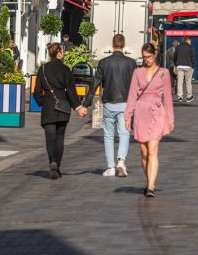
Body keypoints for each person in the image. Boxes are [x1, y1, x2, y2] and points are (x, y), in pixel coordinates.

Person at [81, 33, 137, 177]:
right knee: (124, 133)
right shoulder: (131, 63)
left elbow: (95, 84)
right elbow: (135, 86)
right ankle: (121, 161)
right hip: (125, 103)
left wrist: (86, 103)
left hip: (109, 103)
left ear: (113, 46)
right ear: (123, 46)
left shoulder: (104, 62)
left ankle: (110, 167)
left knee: (108, 135)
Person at [125, 42, 174, 197]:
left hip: (157, 112)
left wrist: (170, 118)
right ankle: (148, 181)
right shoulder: (137, 72)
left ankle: (151, 186)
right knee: (144, 152)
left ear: (154, 55)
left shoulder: (163, 73)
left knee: (153, 150)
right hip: (141, 113)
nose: (147, 60)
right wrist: (128, 116)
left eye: (150, 57)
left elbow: (167, 96)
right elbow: (132, 95)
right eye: (145, 57)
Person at [33, 42, 87, 179]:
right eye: (62, 51)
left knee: (50, 138)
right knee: (60, 138)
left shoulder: (43, 69)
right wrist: (78, 107)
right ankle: (57, 166)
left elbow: (37, 91)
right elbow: (71, 91)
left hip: (49, 107)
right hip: (63, 107)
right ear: (59, 53)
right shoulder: (65, 69)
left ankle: (52, 161)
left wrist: (42, 103)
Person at [173, 36, 195, 102]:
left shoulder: (178, 47)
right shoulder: (191, 47)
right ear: (188, 40)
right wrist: (193, 66)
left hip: (180, 66)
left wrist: (176, 64)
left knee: (180, 82)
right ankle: (189, 97)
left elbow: (174, 57)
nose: (191, 42)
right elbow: (193, 58)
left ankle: (180, 97)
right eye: (190, 41)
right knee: (188, 82)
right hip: (188, 66)